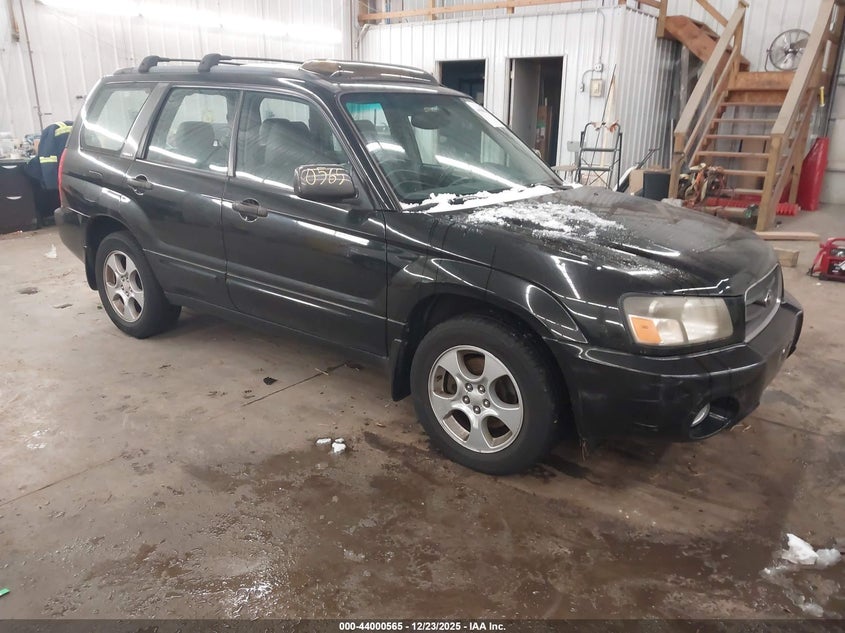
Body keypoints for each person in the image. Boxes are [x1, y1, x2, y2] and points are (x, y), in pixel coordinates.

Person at [24, 120, 72, 225]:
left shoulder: (50, 131)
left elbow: (45, 158)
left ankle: (41, 215)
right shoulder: (76, 128)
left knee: (31, 172)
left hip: (56, 174)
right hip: (73, 171)